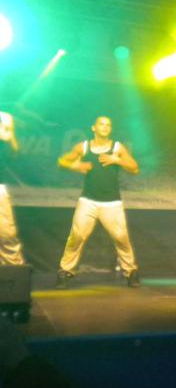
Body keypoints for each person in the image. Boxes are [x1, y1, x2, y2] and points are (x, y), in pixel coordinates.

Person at [55, 116, 141, 288]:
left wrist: (116, 160)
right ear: (93, 128)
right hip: (88, 201)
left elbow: (135, 168)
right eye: (101, 124)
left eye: (108, 125)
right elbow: (62, 161)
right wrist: (76, 166)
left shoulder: (117, 147)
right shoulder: (83, 146)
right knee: (76, 237)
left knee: (121, 238)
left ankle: (131, 271)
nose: (105, 127)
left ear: (110, 129)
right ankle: (65, 271)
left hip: (112, 203)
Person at [0, 111, 25, 266]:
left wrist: (8, 132)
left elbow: (13, 152)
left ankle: (14, 273)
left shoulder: (3, 118)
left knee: (6, 234)